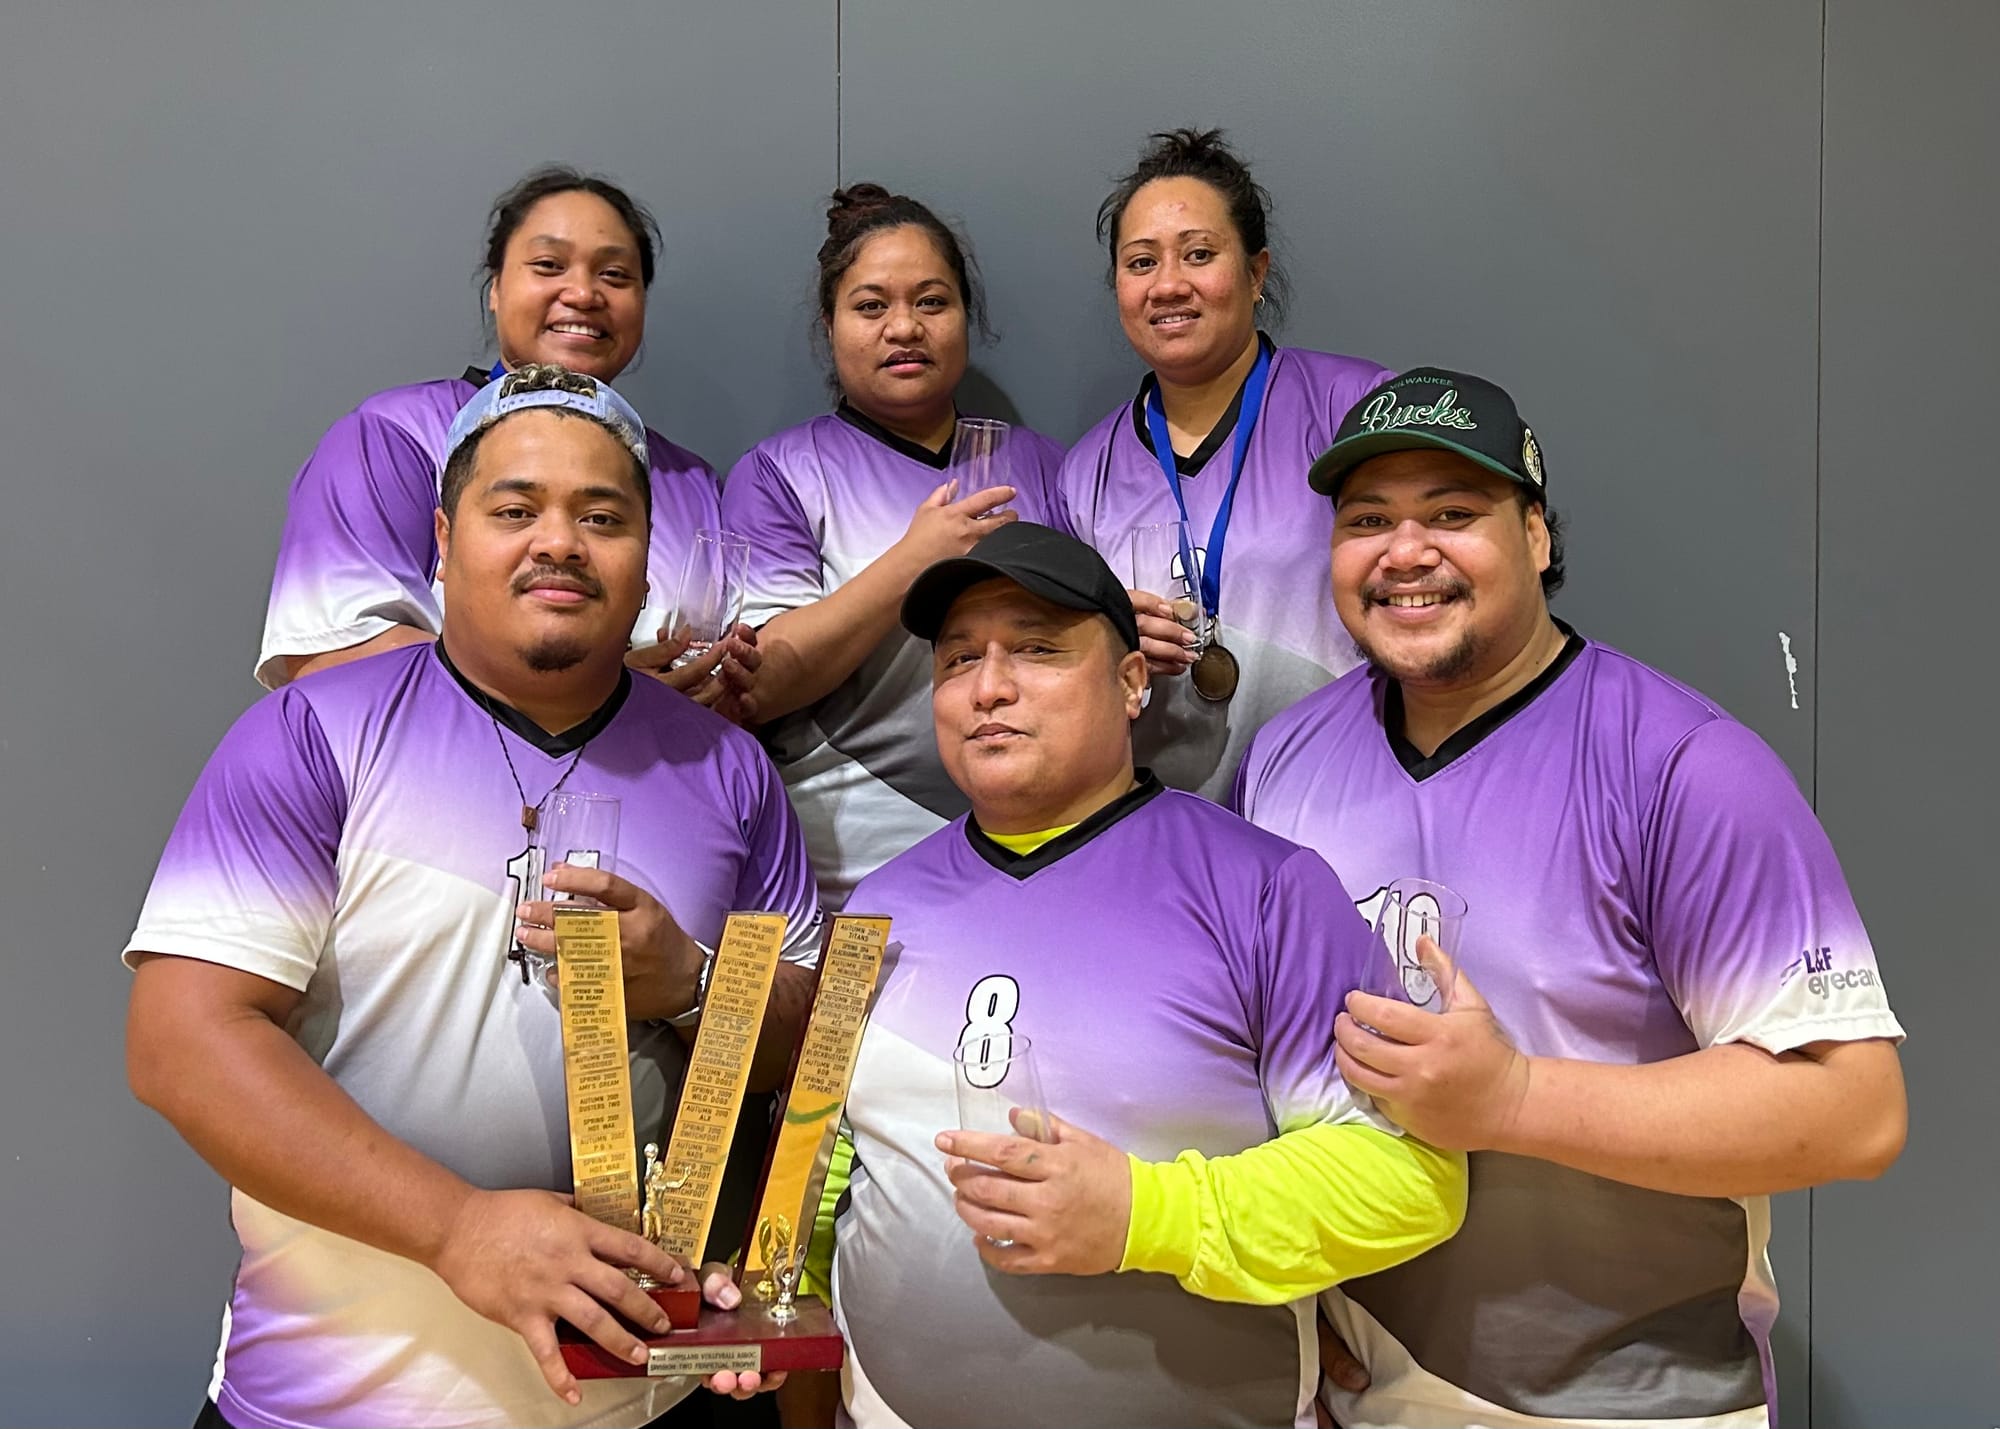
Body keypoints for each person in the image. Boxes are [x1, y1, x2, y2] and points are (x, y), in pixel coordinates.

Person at [126, 366, 821, 1429]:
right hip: (333, 1395)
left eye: (603, 516)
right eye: (515, 509)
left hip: (644, 1397)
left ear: (646, 558)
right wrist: (462, 1228)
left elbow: (807, 1058)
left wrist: (692, 984)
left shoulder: (729, 772)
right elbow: (181, 1042)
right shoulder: (315, 732)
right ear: (443, 545)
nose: (559, 540)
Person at [1232, 367, 1908, 1428]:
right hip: (1357, 1387)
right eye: (1366, 520)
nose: (1403, 551)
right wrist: (1285, 1293)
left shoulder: (1681, 764)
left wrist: (1510, 1101)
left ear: (1536, 537)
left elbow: (1853, 1110)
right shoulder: (1284, 755)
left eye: (1452, 513)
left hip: (1632, 1398)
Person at [802, 522, 1466, 1427]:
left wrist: (1144, 1215)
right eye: (958, 660)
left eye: (1037, 649)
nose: (988, 686)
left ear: (1129, 683)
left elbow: (1411, 1176)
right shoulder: (879, 906)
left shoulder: (1268, 888)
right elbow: (832, 1155)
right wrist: (778, 1301)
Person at [256, 164, 757, 720]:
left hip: (654, 794)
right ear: (495, 288)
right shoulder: (393, 437)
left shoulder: (690, 482)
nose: (584, 293)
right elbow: (331, 656)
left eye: (616, 276)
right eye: (548, 265)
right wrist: (600, 696)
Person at [720, 184, 1071, 909]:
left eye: (933, 302)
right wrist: (914, 559)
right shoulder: (782, 471)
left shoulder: (1044, 464)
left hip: (1035, 843)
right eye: (872, 305)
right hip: (849, 861)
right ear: (830, 324)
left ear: (966, 318)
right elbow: (760, 684)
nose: (904, 327)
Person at [1057, 128, 1397, 802]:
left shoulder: (1353, 409)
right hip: (1163, 829)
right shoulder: (1083, 473)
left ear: (1256, 272)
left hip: (1345, 806)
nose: (1169, 285)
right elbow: (1061, 675)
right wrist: (1100, 643)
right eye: (1141, 262)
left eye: (1200, 254)